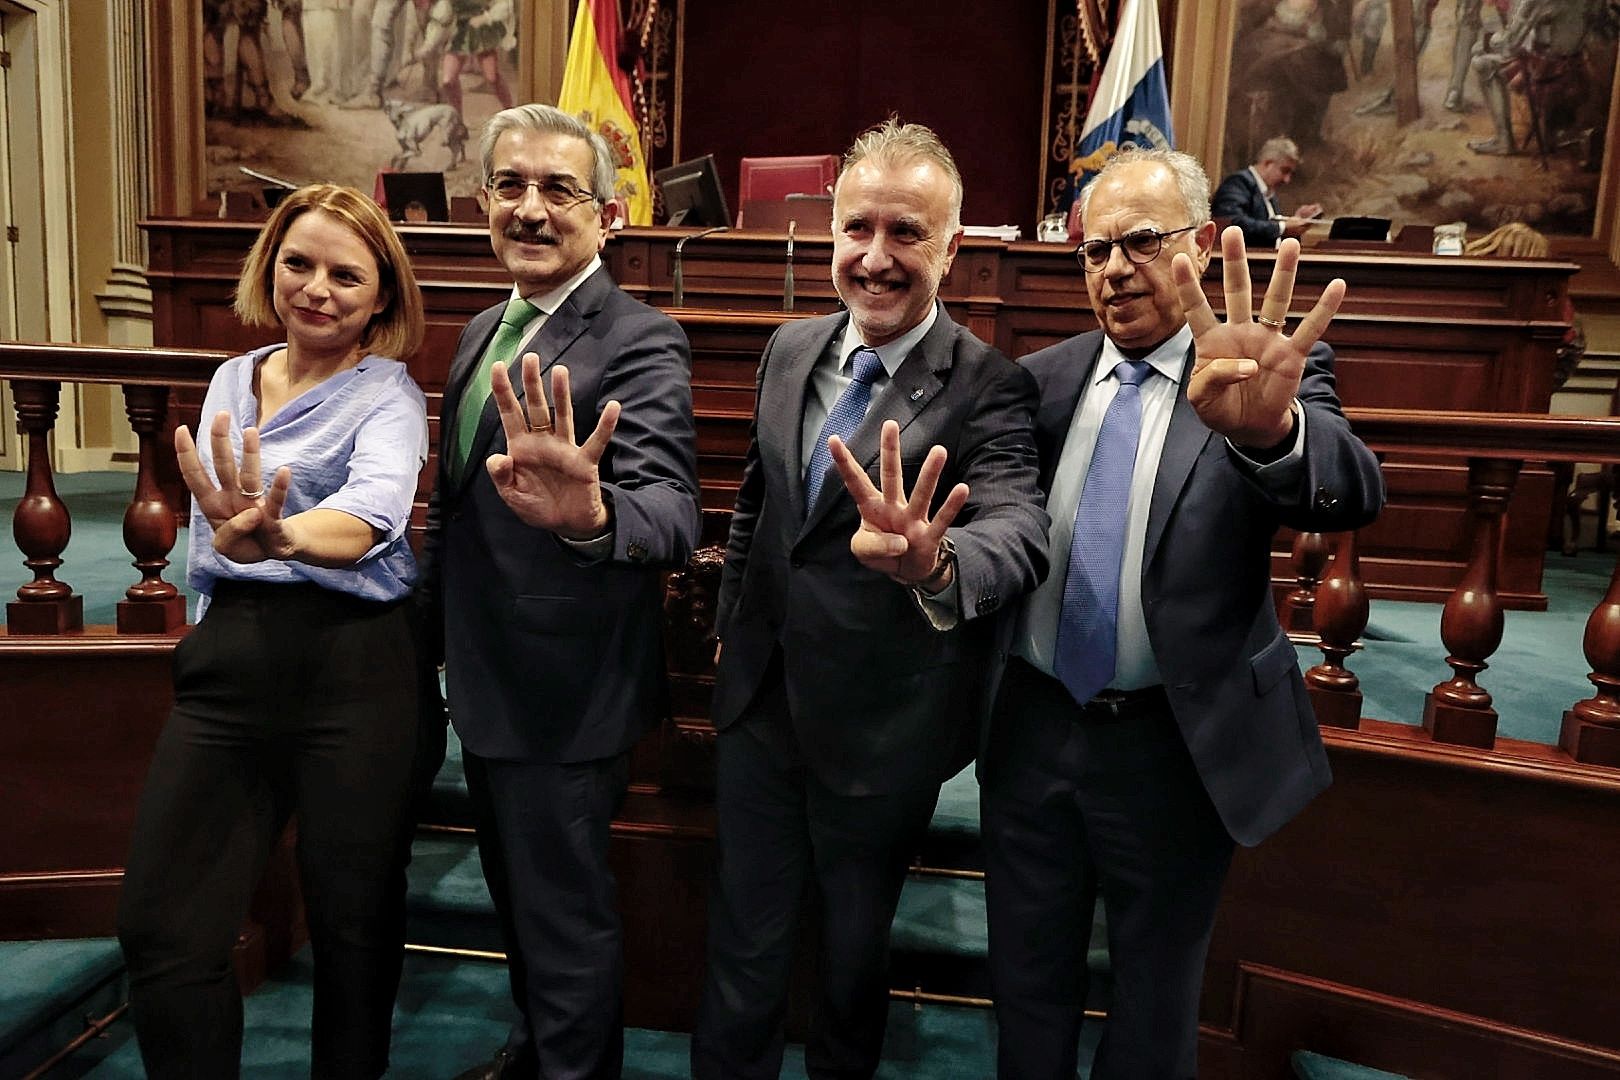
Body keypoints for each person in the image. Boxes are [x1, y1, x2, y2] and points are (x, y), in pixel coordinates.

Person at [981, 147, 1384, 1079]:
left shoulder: (1260, 368)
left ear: (1201, 246)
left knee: (1157, 1001)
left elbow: (1352, 488)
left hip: (1174, 745)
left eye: (1142, 242)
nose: (1113, 268)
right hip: (1034, 730)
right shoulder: (1038, 381)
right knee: (1025, 988)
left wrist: (1271, 434)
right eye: (1093, 250)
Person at [692, 119, 1050, 1080]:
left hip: (885, 723)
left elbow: (1020, 532)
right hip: (763, 706)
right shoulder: (790, 346)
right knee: (743, 943)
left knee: (851, 958)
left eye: (907, 233)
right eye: (859, 229)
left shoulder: (988, 386)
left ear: (953, 248)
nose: (877, 258)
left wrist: (934, 564)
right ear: (829, 232)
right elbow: (757, 510)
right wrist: (733, 633)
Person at [116, 183, 429, 1078]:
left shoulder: (389, 395)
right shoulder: (231, 376)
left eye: (345, 274)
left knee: (353, 923)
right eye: (299, 263)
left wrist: (284, 535)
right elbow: (214, 517)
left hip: (355, 667)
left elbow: (373, 517)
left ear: (382, 298)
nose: (317, 289)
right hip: (233, 661)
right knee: (161, 926)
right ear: (270, 267)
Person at [416, 102, 699, 1080]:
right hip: (487, 683)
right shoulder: (478, 333)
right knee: (518, 903)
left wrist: (587, 517)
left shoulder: (639, 338)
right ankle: (539, 1050)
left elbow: (671, 516)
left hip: (567, 697)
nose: (530, 209)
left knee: (567, 925)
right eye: (510, 185)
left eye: (558, 189)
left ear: (606, 216)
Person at [1212, 136, 1324, 248]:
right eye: (1285, 171)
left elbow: (1270, 236)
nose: (1287, 180)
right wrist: (1283, 227)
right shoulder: (1238, 183)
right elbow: (1234, 223)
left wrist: (1296, 221)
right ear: (1268, 163)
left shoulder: (1268, 194)